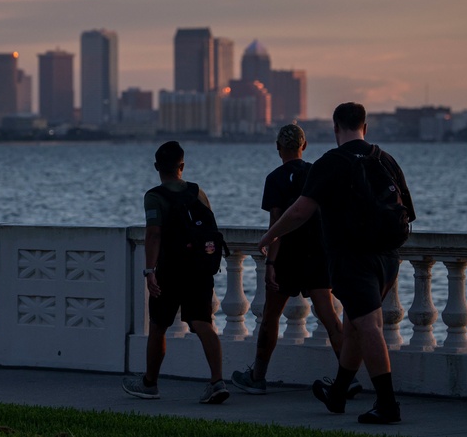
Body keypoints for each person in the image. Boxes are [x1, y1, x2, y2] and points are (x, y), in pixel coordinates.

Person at [257, 103, 415, 425]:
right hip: (388, 258)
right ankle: (338, 392)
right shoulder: (385, 159)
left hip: (351, 258)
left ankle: (387, 404)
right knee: (356, 323)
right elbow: (407, 213)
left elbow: (300, 212)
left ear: (335, 128)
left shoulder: (331, 163)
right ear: (365, 128)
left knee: (368, 325)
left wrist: (269, 237)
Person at [231, 124, 359, 398]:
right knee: (329, 317)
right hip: (318, 253)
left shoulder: (275, 178)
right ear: (305, 146)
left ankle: (257, 377)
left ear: (278, 149)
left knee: (270, 318)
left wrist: (271, 264)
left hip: (288, 256)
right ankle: (348, 377)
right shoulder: (317, 172)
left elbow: (277, 222)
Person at [122, 140, 230, 405]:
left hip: (170, 269)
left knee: (159, 326)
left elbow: (153, 233)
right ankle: (217, 382)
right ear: (182, 166)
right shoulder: (198, 192)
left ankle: (150, 383)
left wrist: (150, 271)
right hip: (200, 269)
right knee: (203, 323)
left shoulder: (154, 196)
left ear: (157, 166)